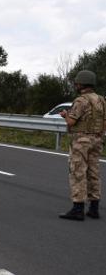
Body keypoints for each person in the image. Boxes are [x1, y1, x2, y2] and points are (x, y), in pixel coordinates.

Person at [58, 70, 106, 221]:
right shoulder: (101, 100)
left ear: (81, 84)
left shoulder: (81, 100)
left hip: (81, 141)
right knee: (94, 173)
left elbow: (71, 122)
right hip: (97, 140)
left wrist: (65, 115)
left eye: (77, 83)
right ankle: (94, 208)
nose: (76, 85)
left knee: (78, 172)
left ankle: (78, 209)